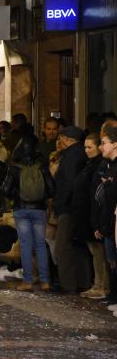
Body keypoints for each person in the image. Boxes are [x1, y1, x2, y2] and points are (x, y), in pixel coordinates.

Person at [1, 134, 55, 291]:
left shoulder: (15, 167)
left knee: (25, 245)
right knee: (40, 245)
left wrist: (15, 198)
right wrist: (42, 198)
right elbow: (52, 189)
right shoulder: (42, 165)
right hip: (39, 210)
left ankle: (28, 281)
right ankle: (45, 281)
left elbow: (5, 189)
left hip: (21, 210)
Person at [53, 126, 91, 293]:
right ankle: (84, 282)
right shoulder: (80, 154)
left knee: (63, 247)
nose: (58, 141)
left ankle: (68, 284)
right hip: (77, 206)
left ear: (67, 139)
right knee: (77, 246)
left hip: (69, 208)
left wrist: (61, 205)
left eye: (60, 137)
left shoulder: (70, 156)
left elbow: (68, 183)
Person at [75, 133, 109, 299]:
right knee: (95, 251)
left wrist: (96, 220)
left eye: (90, 147)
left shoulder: (99, 165)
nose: (87, 150)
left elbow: (97, 194)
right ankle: (98, 283)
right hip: (87, 214)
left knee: (99, 252)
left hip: (93, 214)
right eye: (85, 147)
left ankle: (101, 285)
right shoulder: (90, 164)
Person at [97, 125, 117, 311]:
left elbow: (111, 195)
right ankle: (113, 296)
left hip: (114, 221)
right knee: (111, 262)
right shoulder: (107, 165)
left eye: (103, 143)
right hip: (109, 222)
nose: (100, 147)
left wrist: (109, 186)